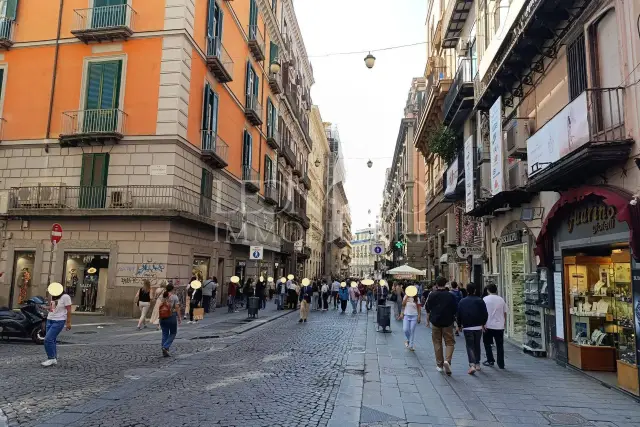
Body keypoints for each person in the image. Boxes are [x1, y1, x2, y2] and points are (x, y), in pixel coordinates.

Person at [426, 276, 457, 376]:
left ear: (436, 284)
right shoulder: (450, 295)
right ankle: (447, 361)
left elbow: (427, 307)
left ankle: (439, 365)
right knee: (449, 342)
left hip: (436, 321)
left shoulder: (432, 294)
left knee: (437, 342)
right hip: (448, 322)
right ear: (446, 284)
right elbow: (455, 308)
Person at [457, 283, 488, 375]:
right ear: (475, 290)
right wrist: (483, 323)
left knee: (470, 345)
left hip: (467, 326)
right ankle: (477, 363)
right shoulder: (480, 300)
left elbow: (459, 314)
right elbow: (485, 313)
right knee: (477, 344)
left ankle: (472, 364)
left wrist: (459, 325)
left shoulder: (462, 301)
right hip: (478, 326)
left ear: (467, 290)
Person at [42, 286, 72, 367]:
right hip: (50, 319)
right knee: (52, 340)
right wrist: (46, 308)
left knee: (48, 339)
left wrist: (68, 322)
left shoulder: (65, 297)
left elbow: (69, 309)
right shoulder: (54, 296)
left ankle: (51, 358)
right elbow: (53, 308)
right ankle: (54, 358)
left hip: (59, 320)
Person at [482, 283, 507, 369]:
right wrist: (504, 323)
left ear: (488, 290)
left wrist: (482, 323)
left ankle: (490, 360)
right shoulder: (501, 299)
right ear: (496, 290)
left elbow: (483, 312)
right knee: (500, 345)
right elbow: (505, 313)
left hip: (488, 325)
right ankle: (501, 363)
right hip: (499, 325)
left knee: (487, 343)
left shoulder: (485, 299)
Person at [158, 283, 181, 357]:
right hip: (171, 316)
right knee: (173, 333)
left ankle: (165, 349)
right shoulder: (174, 297)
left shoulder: (163, 296)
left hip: (162, 317)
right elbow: (177, 308)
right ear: (172, 289)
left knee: (165, 333)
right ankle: (165, 346)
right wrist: (179, 317)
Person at [400, 286, 421, 351]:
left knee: (412, 330)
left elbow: (419, 308)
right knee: (405, 329)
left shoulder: (416, 298)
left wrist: (419, 316)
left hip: (414, 315)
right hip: (406, 315)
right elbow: (403, 305)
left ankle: (411, 345)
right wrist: (406, 297)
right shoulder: (406, 296)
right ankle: (408, 340)